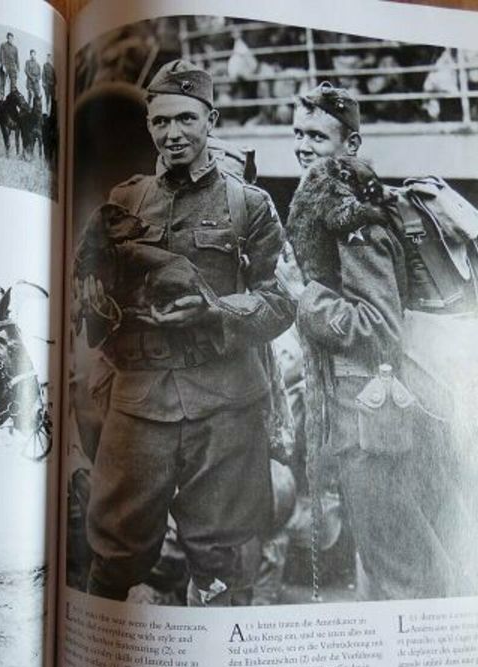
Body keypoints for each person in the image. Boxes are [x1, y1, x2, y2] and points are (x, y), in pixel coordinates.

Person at [76, 60, 294, 606]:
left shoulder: (250, 205)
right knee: (114, 552)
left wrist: (212, 312)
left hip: (224, 407)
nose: (172, 134)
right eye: (161, 122)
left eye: (186, 120)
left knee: (223, 559)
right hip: (138, 402)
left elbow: (280, 302)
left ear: (210, 119)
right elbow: (96, 305)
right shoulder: (125, 200)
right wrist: (97, 301)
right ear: (149, 125)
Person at [288, 82, 478, 599]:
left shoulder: (354, 218)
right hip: (369, 416)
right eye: (297, 133)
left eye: (317, 135)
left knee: (402, 574)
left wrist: (301, 295)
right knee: (389, 565)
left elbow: (377, 325)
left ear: (350, 145)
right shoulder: (338, 203)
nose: (303, 146)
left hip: (371, 425)